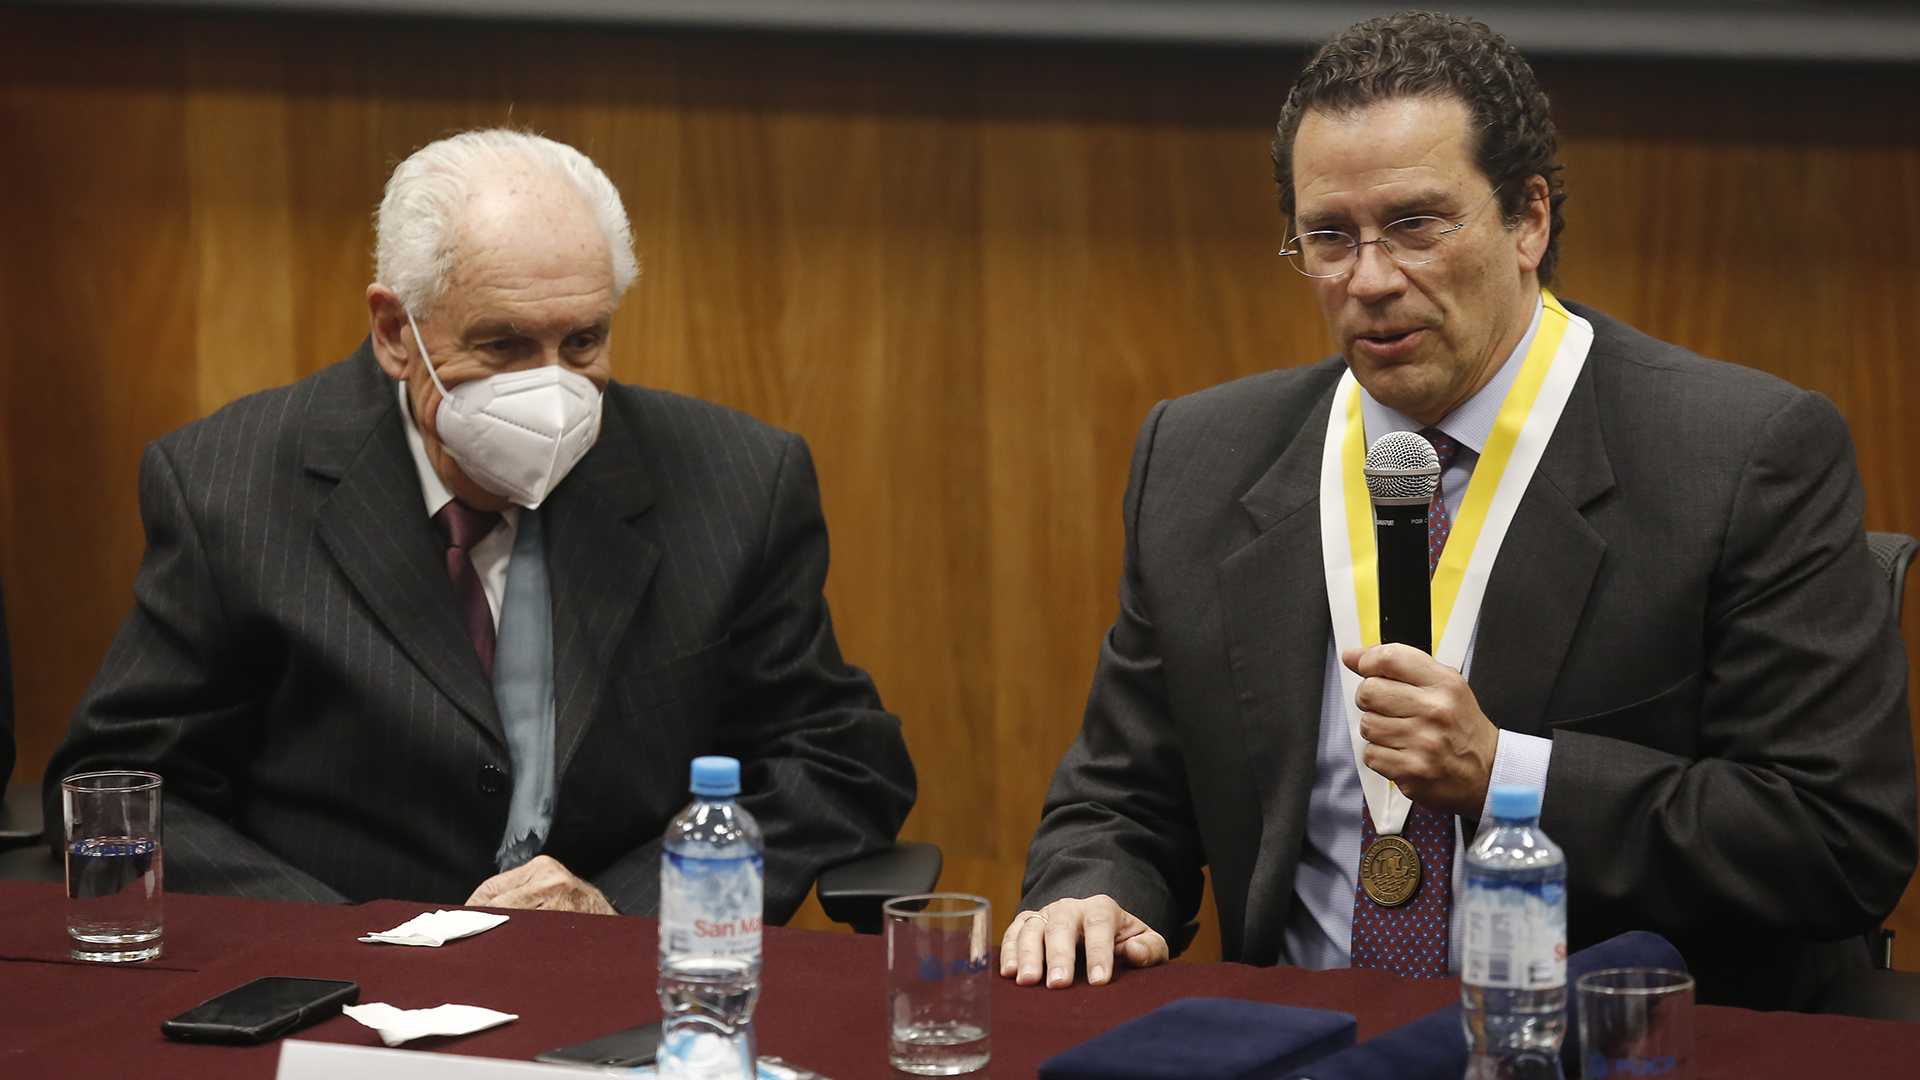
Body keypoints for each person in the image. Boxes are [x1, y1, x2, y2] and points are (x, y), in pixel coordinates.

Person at [1002, 12, 1915, 1010]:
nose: (1370, 280)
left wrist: (1505, 773)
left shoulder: (1741, 456)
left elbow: (1836, 839)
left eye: (1416, 225)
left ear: (1529, 221)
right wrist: (1094, 892)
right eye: (1329, 237)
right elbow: (1122, 794)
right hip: (1298, 1041)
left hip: (1599, 1039)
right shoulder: (1200, 459)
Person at [45, 130, 915, 920]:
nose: (553, 386)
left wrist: (624, 911)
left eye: (584, 342)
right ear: (395, 331)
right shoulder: (227, 486)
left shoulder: (737, 480)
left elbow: (838, 760)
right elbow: (115, 792)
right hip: (343, 984)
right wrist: (346, 941)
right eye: (503, 345)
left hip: (616, 977)